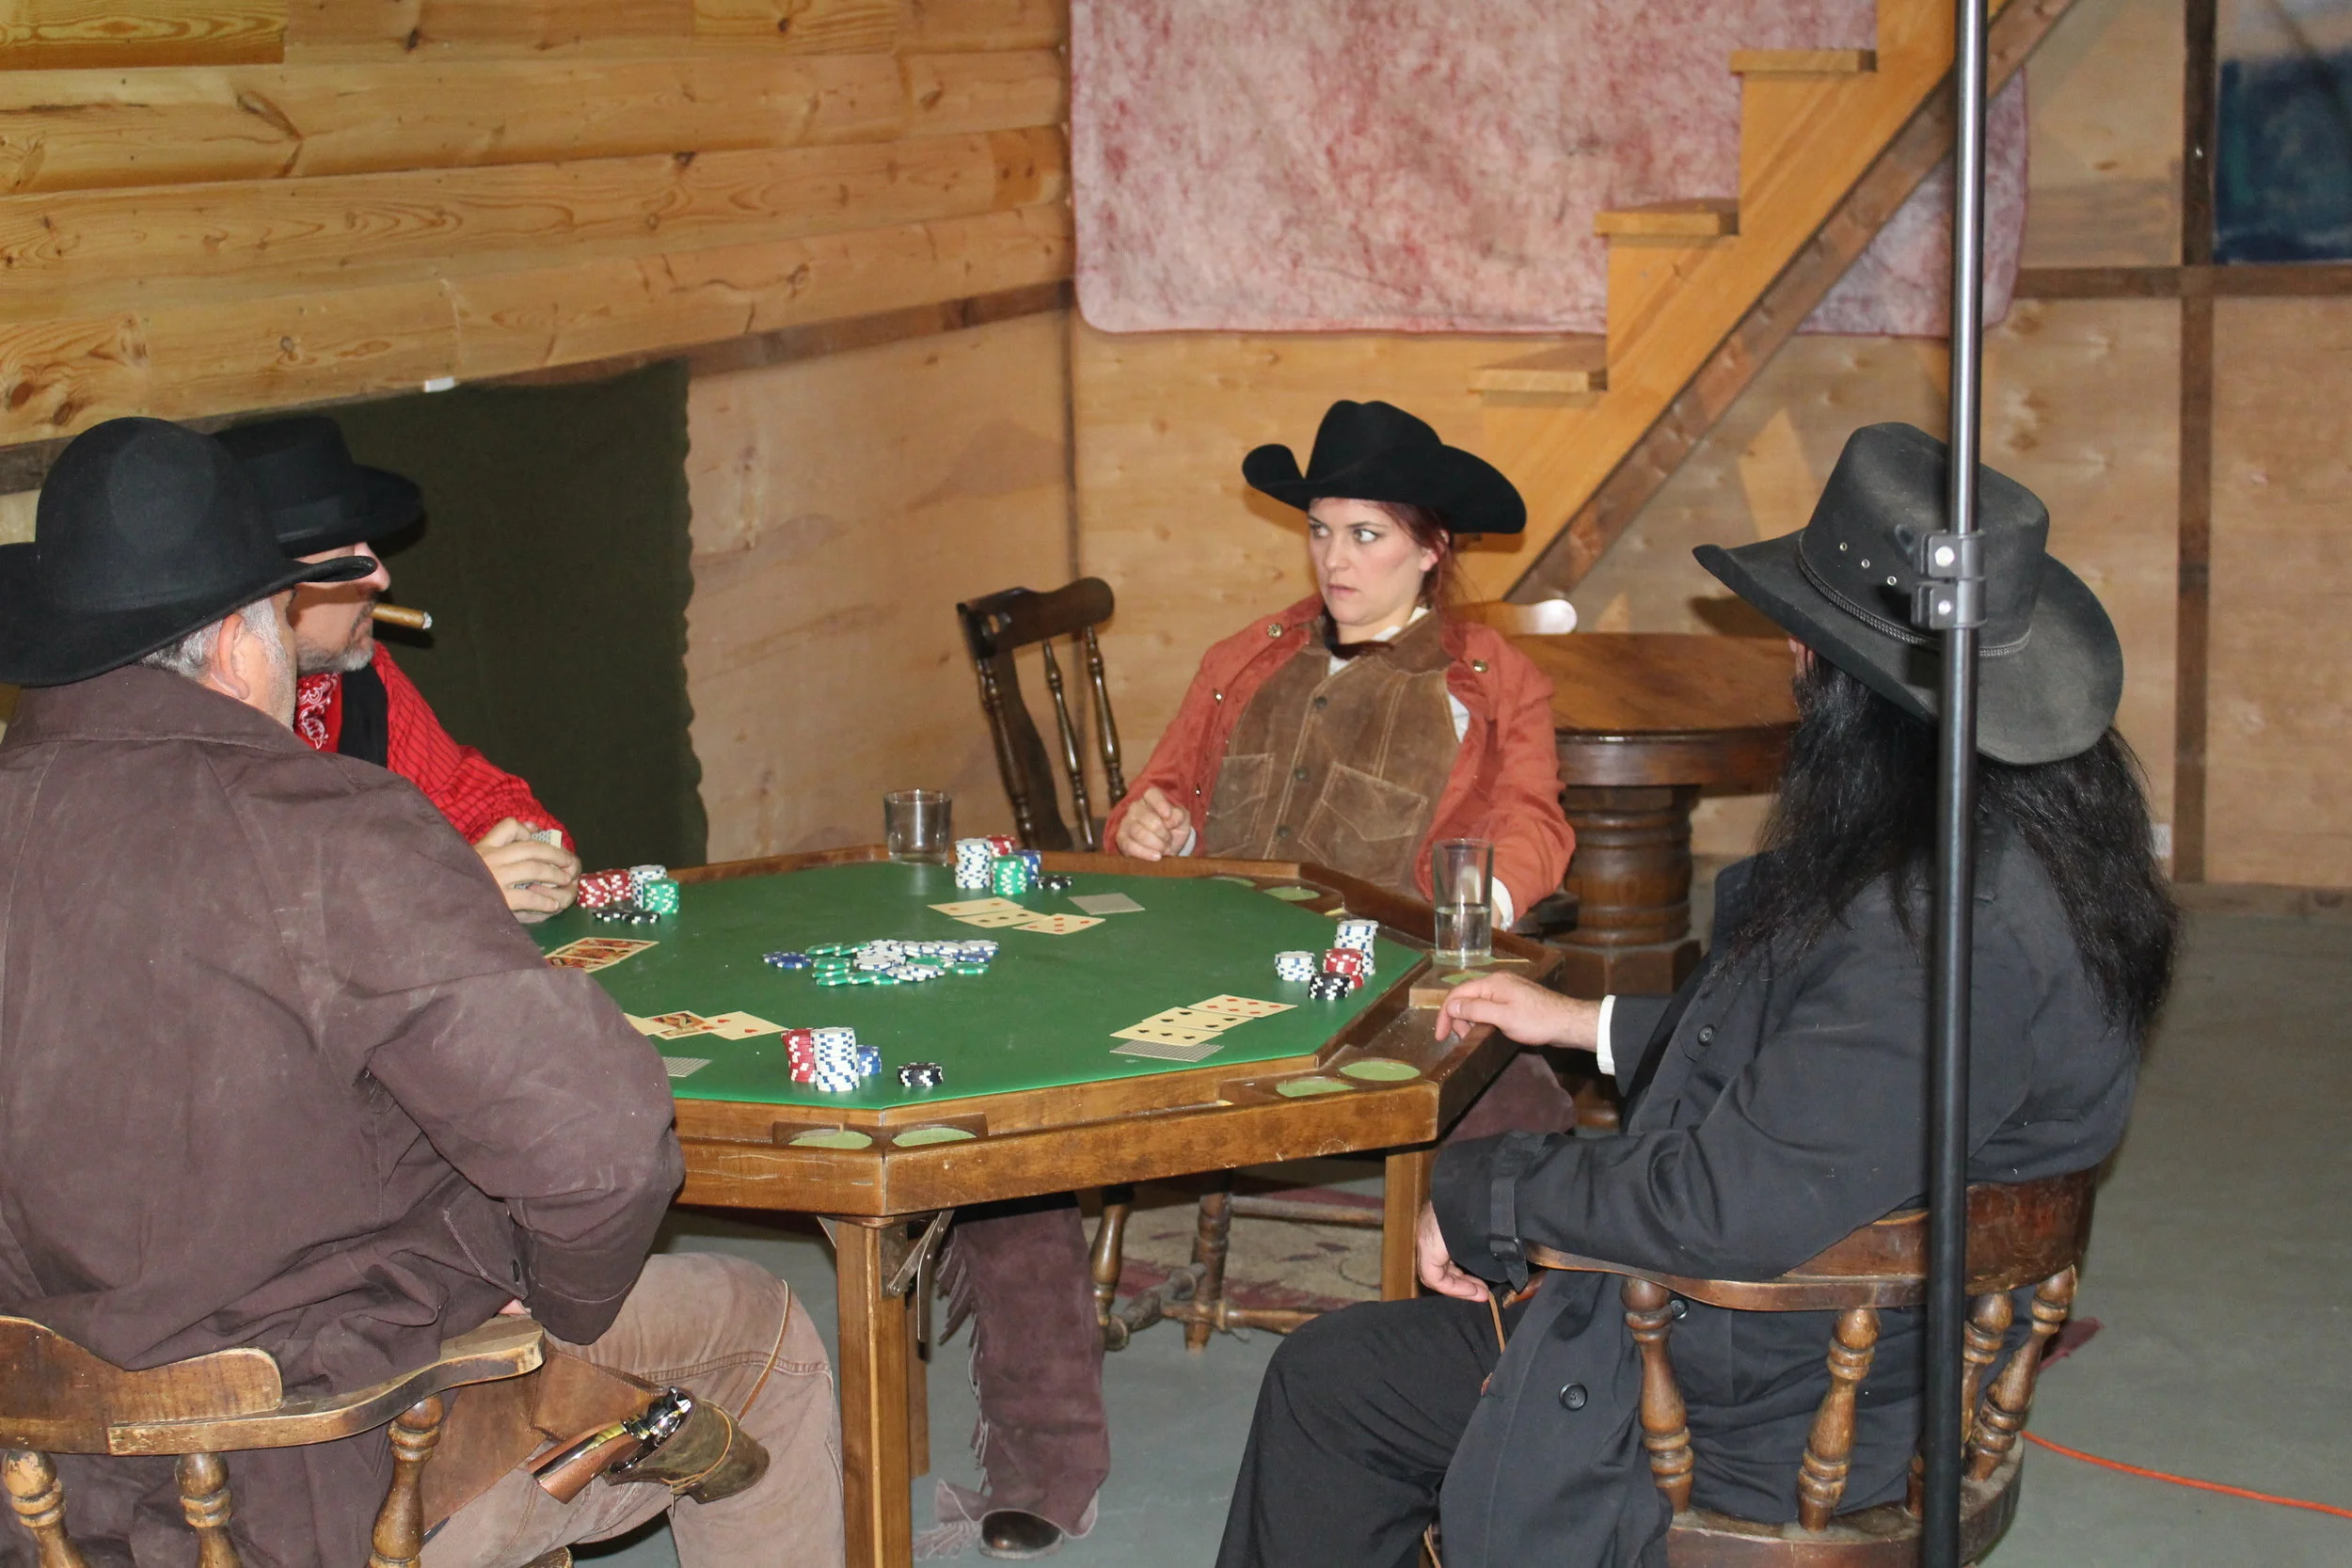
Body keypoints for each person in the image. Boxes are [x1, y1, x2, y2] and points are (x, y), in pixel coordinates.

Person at [1212, 421, 2182, 1568]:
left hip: (1775, 1386)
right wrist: (1587, 1022)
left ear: (1847, 674)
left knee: (1332, 1380)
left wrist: (1487, 1190)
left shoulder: (1934, 931)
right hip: (1857, 1332)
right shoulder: (2019, 836)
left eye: (1804, 638)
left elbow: (1728, 1201)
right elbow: (1837, 1077)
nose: (1790, 655)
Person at [0, 418, 842, 1568]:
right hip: (332, 1468)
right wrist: (546, 1305)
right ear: (242, 642)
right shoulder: (328, 832)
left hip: (41, 1489)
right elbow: (602, 1147)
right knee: (763, 1332)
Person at [931, 401, 1580, 1560]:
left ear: (1432, 547)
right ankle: (1042, 1458)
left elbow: (1533, 818)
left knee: (1525, 1113)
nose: (1335, 559)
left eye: (1366, 534)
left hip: (1380, 984)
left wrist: (1493, 888)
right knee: (1009, 1112)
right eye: (1321, 530)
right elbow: (1158, 794)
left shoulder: (1492, 679)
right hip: (1194, 962)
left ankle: (1490, 1416)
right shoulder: (1246, 658)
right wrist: (1154, 823)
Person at [217, 415, 581, 923]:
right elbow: (246, 920)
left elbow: (466, 796)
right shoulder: (183, 726)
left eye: (370, 546)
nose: (382, 577)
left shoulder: (361, 680)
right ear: (270, 592)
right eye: (349, 558)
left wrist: (531, 856)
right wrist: (447, 887)